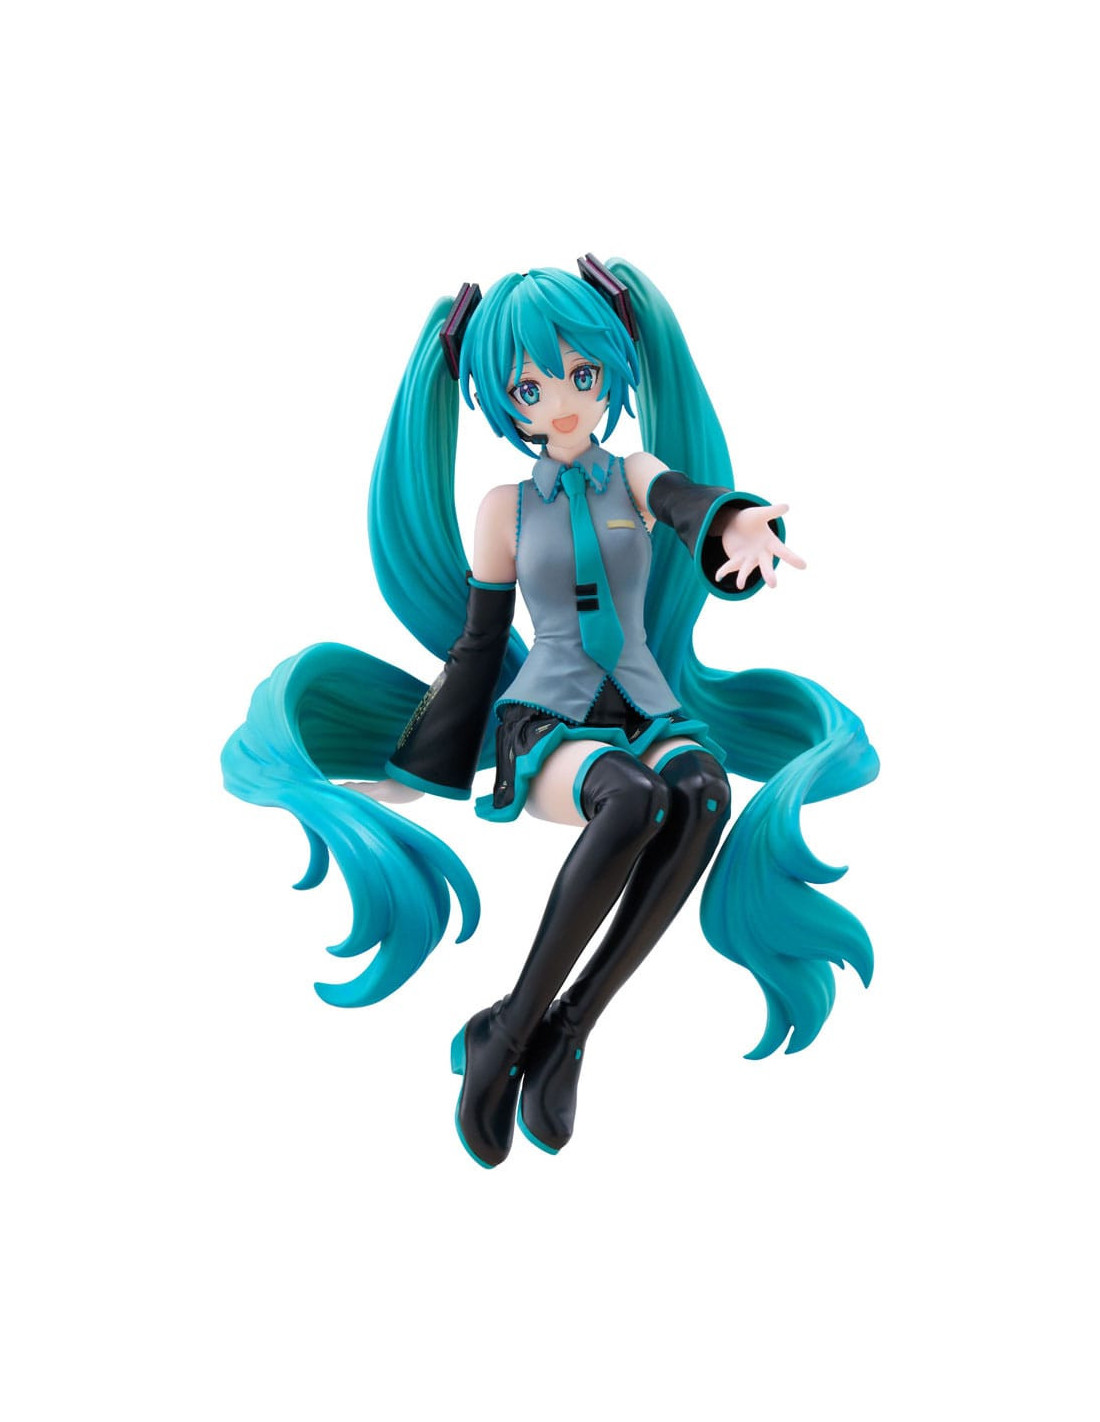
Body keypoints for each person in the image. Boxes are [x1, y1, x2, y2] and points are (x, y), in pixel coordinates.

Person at [221, 257, 879, 1169]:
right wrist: (416, 770)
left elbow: (683, 504)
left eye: (582, 374)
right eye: (532, 388)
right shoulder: (503, 511)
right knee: (635, 799)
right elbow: (477, 647)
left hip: (647, 708)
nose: (563, 403)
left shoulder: (633, 476)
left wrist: (732, 524)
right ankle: (509, 1032)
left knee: (702, 791)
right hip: (550, 721)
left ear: (611, 372)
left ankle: (566, 1030)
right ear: (503, 401)